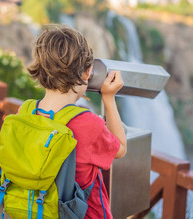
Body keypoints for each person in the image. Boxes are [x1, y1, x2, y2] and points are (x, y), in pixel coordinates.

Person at [26, 24, 127, 219]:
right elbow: (121, 148)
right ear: (86, 73)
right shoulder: (88, 124)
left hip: (35, 210)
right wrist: (109, 98)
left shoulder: (26, 111)